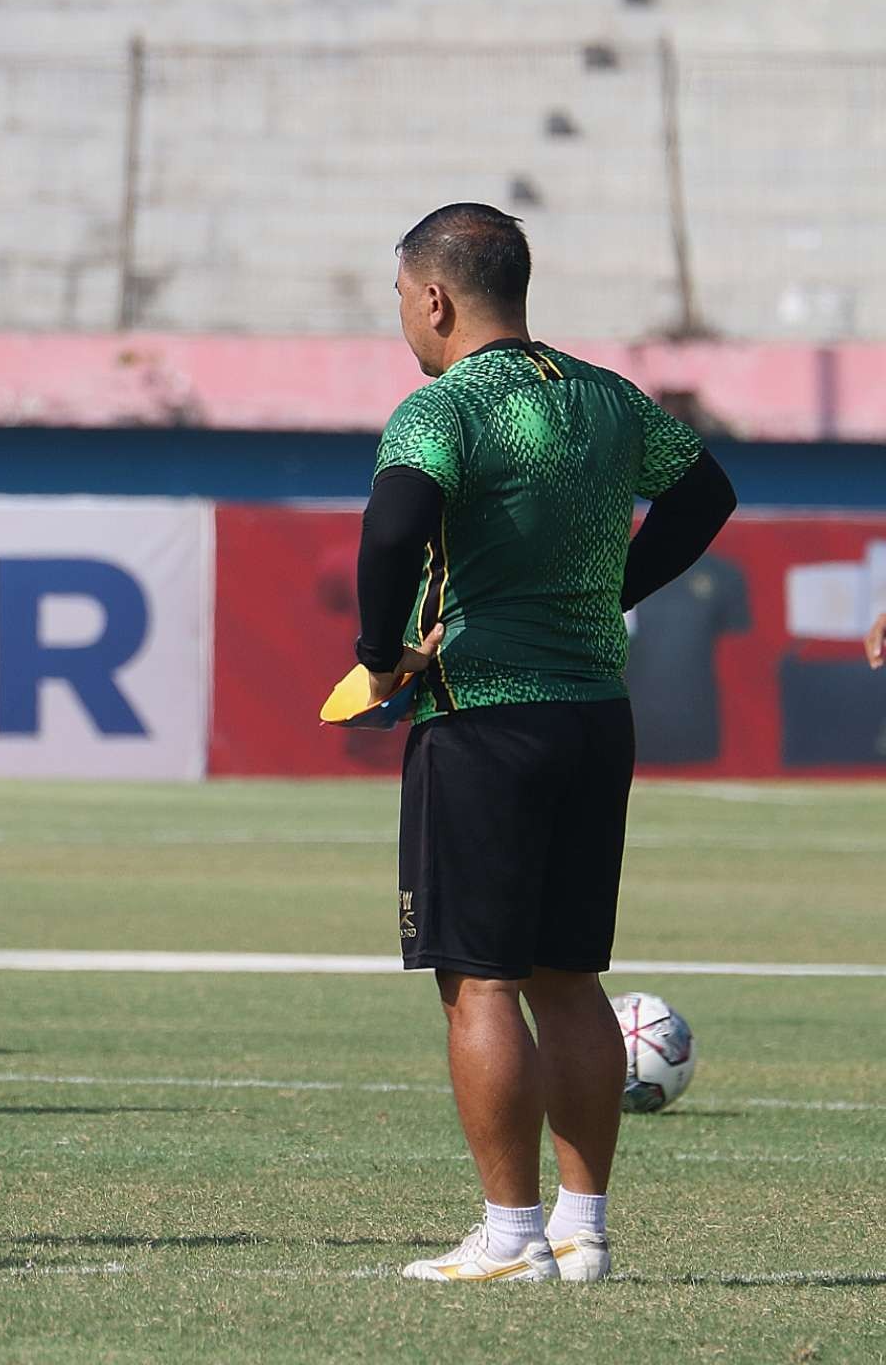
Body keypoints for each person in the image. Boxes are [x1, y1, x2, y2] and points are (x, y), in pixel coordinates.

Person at [357, 204, 734, 1284]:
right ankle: (582, 1232)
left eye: (400, 302)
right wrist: (617, 585)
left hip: (481, 717)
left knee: (477, 982)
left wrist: (378, 653)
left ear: (434, 298)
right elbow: (708, 491)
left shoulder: (443, 408)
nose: (402, 322)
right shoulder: (606, 396)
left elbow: (389, 528)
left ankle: (511, 1236)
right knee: (567, 979)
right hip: (591, 716)